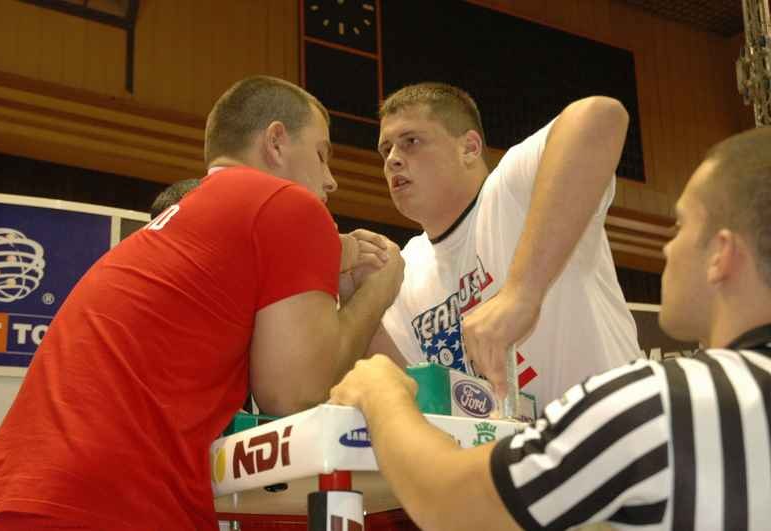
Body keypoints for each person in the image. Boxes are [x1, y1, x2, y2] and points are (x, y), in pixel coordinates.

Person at [0, 76, 404, 530]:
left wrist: (329, 260)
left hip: (11, 497)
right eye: (320, 154)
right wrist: (379, 289)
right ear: (276, 142)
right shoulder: (285, 202)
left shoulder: (181, 223)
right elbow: (294, 395)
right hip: (106, 507)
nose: (331, 180)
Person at [330, 126, 771, 530]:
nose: (668, 248)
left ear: (721, 254)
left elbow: (455, 505)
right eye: (385, 149)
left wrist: (382, 395)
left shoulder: (660, 402)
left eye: (680, 226)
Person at [367, 82, 641, 408]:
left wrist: (521, 294)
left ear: (469, 148)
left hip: (625, 424)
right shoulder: (406, 268)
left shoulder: (510, 191)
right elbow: (411, 393)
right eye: (386, 150)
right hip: (524, 441)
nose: (393, 160)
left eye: (411, 141)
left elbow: (599, 116)